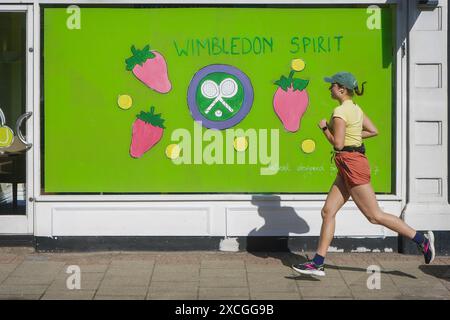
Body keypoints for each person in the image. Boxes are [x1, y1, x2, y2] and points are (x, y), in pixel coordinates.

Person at [292, 72, 435, 277]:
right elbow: (373, 130)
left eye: (331, 85)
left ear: (341, 89)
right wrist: (352, 137)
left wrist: (324, 128)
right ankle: (318, 263)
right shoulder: (356, 109)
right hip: (347, 163)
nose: (329, 88)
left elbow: (338, 144)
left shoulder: (340, 111)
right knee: (328, 212)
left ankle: (422, 240)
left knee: (374, 216)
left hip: (352, 164)